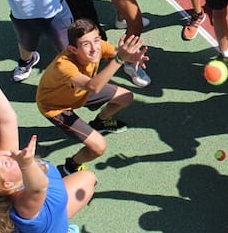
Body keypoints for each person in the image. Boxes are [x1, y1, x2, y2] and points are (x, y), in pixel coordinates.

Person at [0, 45, 106, 233]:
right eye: (4, 162)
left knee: (87, 178)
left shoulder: (12, 170)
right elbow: (39, 186)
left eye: (0, 154)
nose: (7, 154)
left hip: (46, 225)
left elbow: (7, 120)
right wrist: (26, 164)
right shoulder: (23, 206)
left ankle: (57, 229)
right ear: (7, 185)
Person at [37, 18, 148, 176]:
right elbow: (93, 87)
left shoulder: (99, 46)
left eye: (96, 40)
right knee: (98, 147)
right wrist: (120, 60)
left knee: (126, 97)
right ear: (73, 49)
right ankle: (72, 164)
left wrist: (132, 57)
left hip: (81, 92)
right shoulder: (64, 65)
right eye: (86, 44)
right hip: (56, 106)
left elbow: (118, 55)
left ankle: (99, 123)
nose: (94, 48)